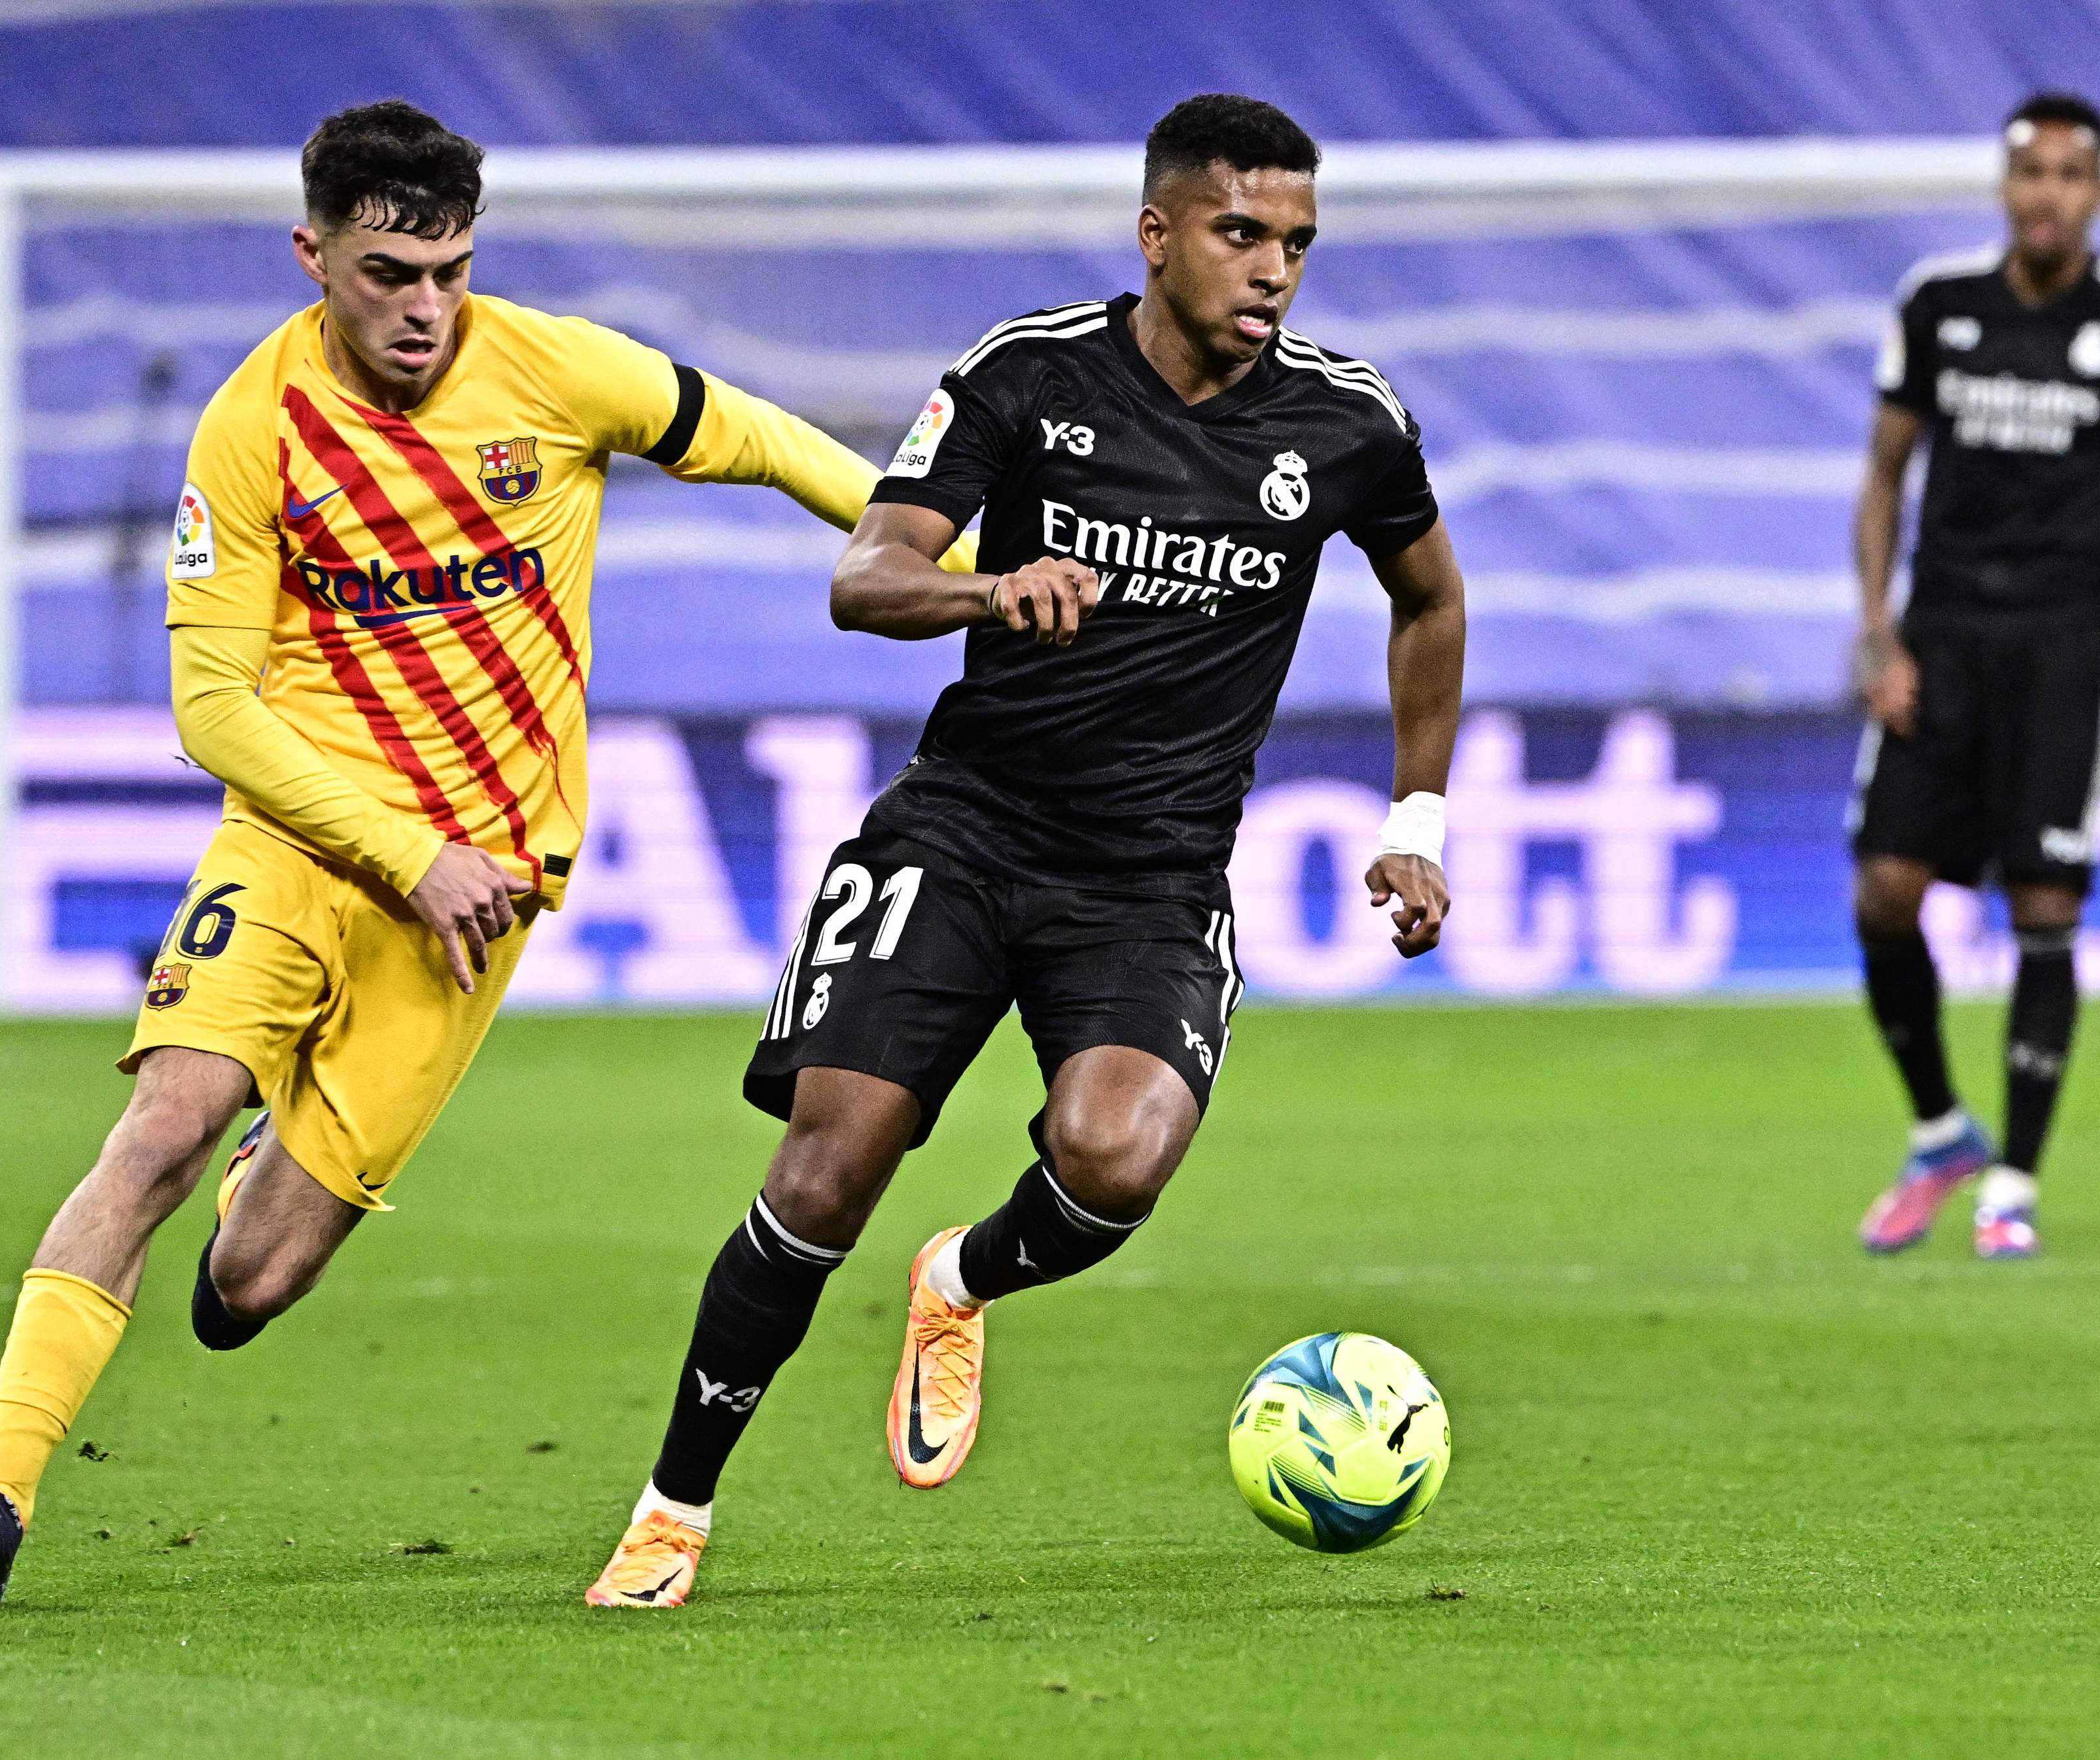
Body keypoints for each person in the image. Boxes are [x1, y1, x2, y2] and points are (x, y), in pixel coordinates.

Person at [0, 99, 968, 1608]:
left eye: (448, 271)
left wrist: (965, 572)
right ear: (313, 253)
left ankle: (276, 1181)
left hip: (475, 902)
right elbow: (211, 709)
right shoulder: (252, 425)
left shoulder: (557, 368)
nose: (422, 308)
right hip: (299, 843)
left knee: (250, 1285)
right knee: (158, 1129)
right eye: (387, 273)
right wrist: (398, 847)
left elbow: (767, 441)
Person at [583, 92, 1469, 1608]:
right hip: (963, 831)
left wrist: (1414, 823)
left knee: (1112, 1156)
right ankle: (671, 1508)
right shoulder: (1025, 372)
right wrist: (987, 594)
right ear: (1158, 233)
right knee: (829, 1163)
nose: (1269, 271)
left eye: (1295, 246)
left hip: (1149, 879)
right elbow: (867, 577)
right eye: (1238, 234)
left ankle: (961, 1279)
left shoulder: (1345, 423)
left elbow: (1428, 600)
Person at [1847, 92, 2100, 1262]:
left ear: (2096, 193)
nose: (2047, 192)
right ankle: (1939, 1131)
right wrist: (1878, 630)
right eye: (2029, 172)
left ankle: (2013, 1179)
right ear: (2004, 185)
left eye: (2069, 174)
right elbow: (1883, 478)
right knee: (1882, 892)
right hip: (1943, 633)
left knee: (2044, 903)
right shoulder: (1937, 305)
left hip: (2067, 646)